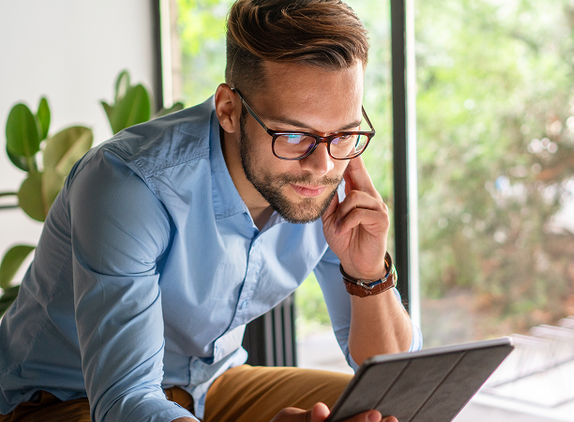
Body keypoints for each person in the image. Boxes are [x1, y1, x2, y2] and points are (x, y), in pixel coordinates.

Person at [0, 0, 422, 421]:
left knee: (390, 411)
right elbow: (124, 402)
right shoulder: (128, 185)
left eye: (344, 134)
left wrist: (368, 275)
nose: (323, 166)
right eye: (294, 136)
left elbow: (394, 379)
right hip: (64, 399)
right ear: (228, 110)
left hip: (211, 384)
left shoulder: (327, 173)